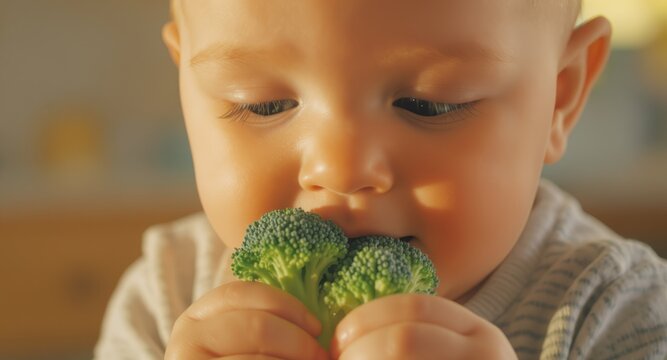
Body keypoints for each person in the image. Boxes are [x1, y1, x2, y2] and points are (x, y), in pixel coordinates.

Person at [95, 0, 667, 358]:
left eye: (429, 103)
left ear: (560, 97)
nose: (339, 170)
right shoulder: (166, 295)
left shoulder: (617, 310)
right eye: (264, 105)